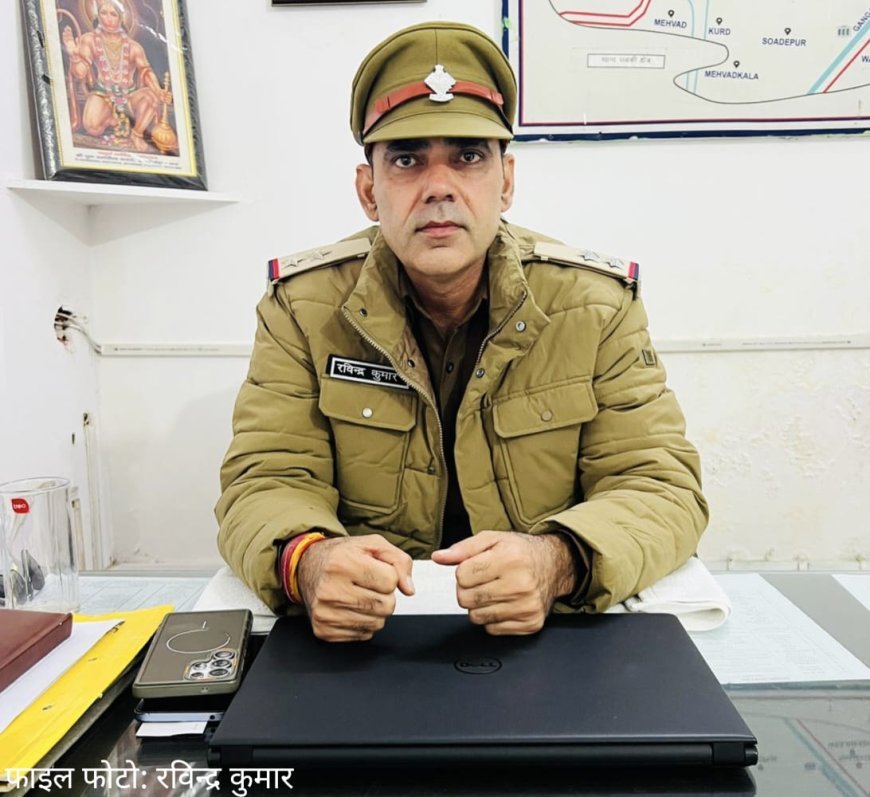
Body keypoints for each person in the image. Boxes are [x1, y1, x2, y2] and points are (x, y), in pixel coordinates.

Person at [216, 21, 708, 642]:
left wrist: (557, 562)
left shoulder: (594, 306)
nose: (439, 188)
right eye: (406, 160)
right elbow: (266, 478)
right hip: (367, 636)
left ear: (506, 181)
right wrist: (306, 561)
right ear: (369, 191)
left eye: (469, 157)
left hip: (545, 630)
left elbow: (659, 485)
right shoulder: (303, 308)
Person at [61, 0, 172, 153]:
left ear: (122, 18)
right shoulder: (89, 40)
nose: (108, 19)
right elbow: (80, 73)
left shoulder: (134, 47)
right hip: (103, 94)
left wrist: (158, 91)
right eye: (103, 13)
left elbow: (146, 71)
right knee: (92, 126)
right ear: (97, 15)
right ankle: (113, 120)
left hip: (130, 95)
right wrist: (74, 55)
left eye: (113, 14)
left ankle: (136, 133)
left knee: (151, 97)